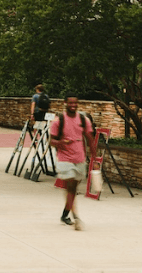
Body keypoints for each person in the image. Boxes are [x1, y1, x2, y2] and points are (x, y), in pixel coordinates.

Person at [49, 94, 95, 230]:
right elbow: (51, 141)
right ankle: (76, 217)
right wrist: (61, 142)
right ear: (65, 103)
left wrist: (94, 158)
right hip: (64, 158)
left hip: (79, 158)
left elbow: (90, 138)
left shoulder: (83, 119)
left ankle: (64, 214)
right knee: (71, 186)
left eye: (75, 103)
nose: (73, 105)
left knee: (73, 189)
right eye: (70, 103)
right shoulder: (59, 121)